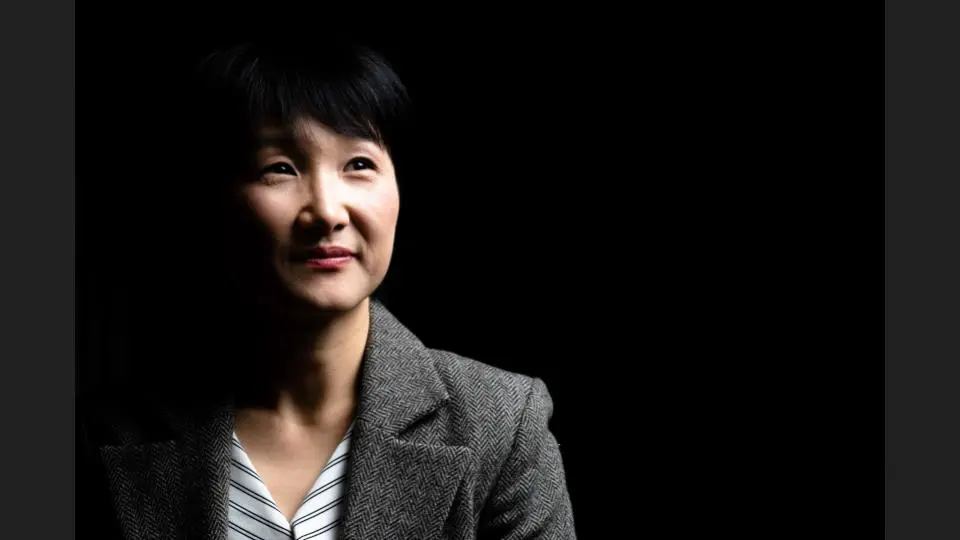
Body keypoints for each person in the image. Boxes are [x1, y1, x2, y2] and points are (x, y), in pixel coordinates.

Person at [76, 36, 576, 539]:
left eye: (359, 164)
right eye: (280, 169)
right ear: (215, 200)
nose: (327, 213)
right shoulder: (104, 433)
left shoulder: (502, 423)